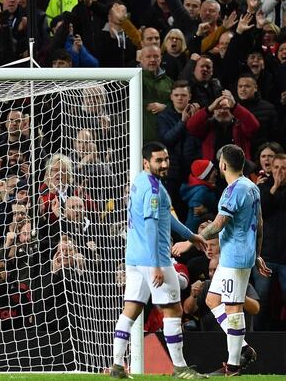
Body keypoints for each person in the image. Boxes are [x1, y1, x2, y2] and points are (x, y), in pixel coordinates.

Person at [109, 141, 208, 379]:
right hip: (155, 259)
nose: (164, 164)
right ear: (146, 162)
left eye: (166, 159)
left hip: (133, 258)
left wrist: (191, 236)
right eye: (158, 160)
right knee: (173, 310)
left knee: (130, 309)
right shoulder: (153, 190)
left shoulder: (141, 182)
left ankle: (117, 367)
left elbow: (167, 218)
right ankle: (180, 369)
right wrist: (156, 265)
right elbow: (152, 227)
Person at [173, 144, 269, 376]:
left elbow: (218, 223)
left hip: (235, 257)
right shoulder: (252, 187)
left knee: (233, 307)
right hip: (236, 255)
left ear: (223, 165)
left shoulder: (234, 190)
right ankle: (244, 349)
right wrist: (256, 254)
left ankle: (234, 366)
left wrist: (190, 241)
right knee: (213, 300)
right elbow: (260, 223)